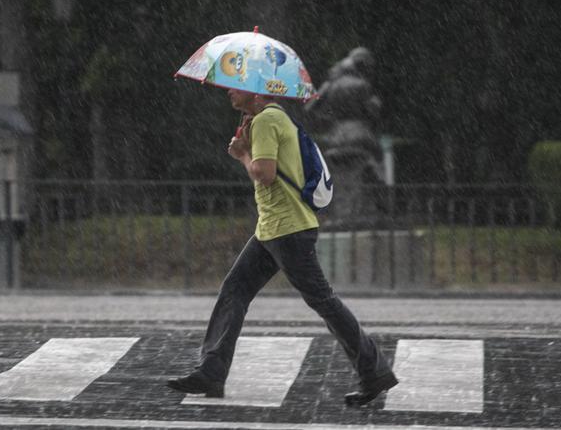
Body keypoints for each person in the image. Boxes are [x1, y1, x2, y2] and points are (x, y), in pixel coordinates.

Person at [166, 87, 398, 407]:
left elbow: (264, 173)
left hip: (288, 230)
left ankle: (374, 372)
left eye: (237, 87)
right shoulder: (273, 118)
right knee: (235, 289)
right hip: (272, 229)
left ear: (256, 93)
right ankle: (212, 371)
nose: (230, 92)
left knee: (323, 301)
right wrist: (248, 146)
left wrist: (242, 154)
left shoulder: (267, 120)